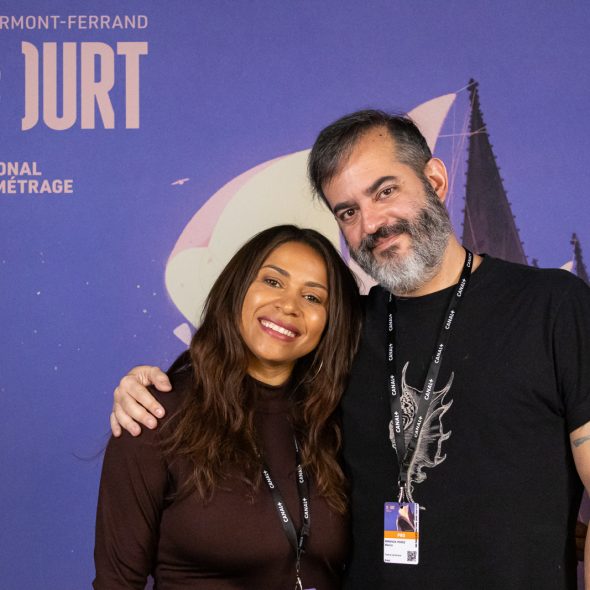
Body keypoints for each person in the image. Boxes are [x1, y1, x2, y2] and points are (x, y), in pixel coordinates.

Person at [109, 111, 590, 589]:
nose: (372, 223)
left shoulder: (552, 306)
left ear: (436, 181)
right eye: (348, 212)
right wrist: (147, 387)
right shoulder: (339, 330)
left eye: (385, 191)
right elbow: (246, 382)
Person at [93, 225, 361, 589]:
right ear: (238, 288)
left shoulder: (336, 423)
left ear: (331, 321)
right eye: (273, 282)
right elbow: (117, 582)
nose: (289, 306)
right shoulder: (156, 414)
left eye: (313, 297)